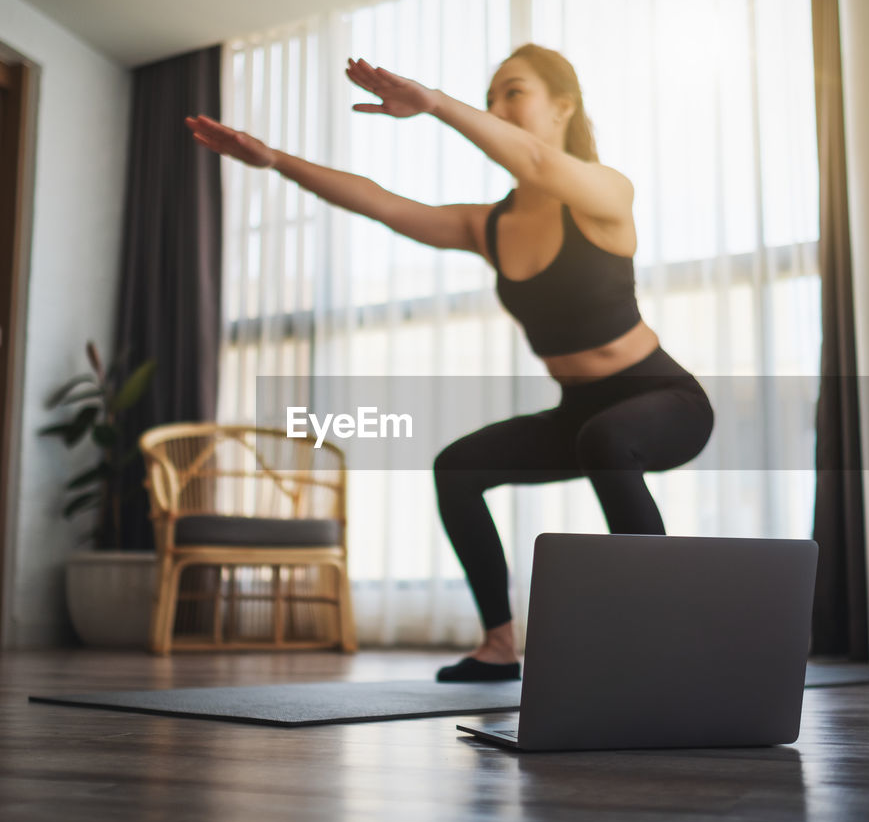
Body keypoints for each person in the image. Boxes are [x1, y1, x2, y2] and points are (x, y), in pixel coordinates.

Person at [186, 43, 714, 683]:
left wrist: (434, 103)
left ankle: (661, 640)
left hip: (665, 401)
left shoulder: (605, 193)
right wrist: (275, 161)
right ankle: (499, 646)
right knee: (458, 467)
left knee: (604, 438)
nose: (497, 107)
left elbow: (541, 161)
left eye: (512, 92)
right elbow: (378, 202)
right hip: (581, 415)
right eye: (490, 97)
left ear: (563, 107)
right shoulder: (488, 226)